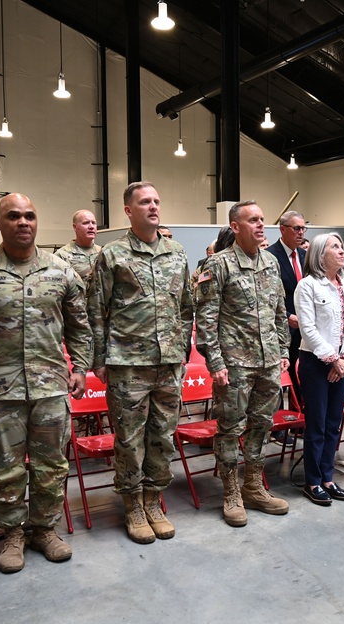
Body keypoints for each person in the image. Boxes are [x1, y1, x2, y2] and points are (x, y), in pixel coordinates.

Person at [0, 193, 92, 573]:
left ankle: (43, 529)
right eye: (13, 216)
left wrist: (81, 368)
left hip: (51, 388)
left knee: (51, 465)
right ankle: (11, 533)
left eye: (29, 216)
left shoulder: (60, 272)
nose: (23, 222)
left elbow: (80, 325)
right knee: (5, 467)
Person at [89, 182, 193, 543]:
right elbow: (96, 310)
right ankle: (132, 504)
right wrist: (99, 360)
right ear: (128, 210)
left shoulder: (176, 252)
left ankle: (153, 499)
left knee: (162, 435)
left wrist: (181, 347)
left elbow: (185, 306)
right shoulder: (112, 254)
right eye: (144, 201)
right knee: (130, 439)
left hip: (168, 362)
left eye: (156, 200)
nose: (153, 206)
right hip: (127, 363)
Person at [195, 200, 291, 527]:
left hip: (267, 362)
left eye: (263, 219)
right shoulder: (217, 265)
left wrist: (283, 350)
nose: (261, 225)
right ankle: (231, 491)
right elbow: (205, 319)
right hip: (234, 364)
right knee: (229, 428)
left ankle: (253, 485)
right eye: (253, 220)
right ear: (235, 226)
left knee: (262, 425)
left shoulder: (271, 262)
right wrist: (215, 362)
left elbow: (280, 310)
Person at [294, 232, 344, 505]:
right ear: (320, 255)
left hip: (342, 362)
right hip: (315, 362)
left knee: (334, 424)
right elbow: (307, 328)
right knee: (317, 424)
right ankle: (312, 481)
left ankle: (328, 478)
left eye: (342, 246)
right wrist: (332, 359)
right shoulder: (307, 285)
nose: (341, 251)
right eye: (335, 246)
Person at [267, 210, 307, 401]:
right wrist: (287, 315)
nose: (301, 232)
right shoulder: (269, 256)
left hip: (306, 328)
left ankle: (299, 419)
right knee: (281, 380)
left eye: (303, 228)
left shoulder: (305, 256)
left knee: (302, 378)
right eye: (297, 228)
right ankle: (279, 427)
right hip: (282, 328)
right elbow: (269, 296)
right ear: (283, 229)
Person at [55, 209, 102, 282]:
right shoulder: (62, 255)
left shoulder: (103, 252)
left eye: (93, 223)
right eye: (86, 223)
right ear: (75, 227)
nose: (91, 226)